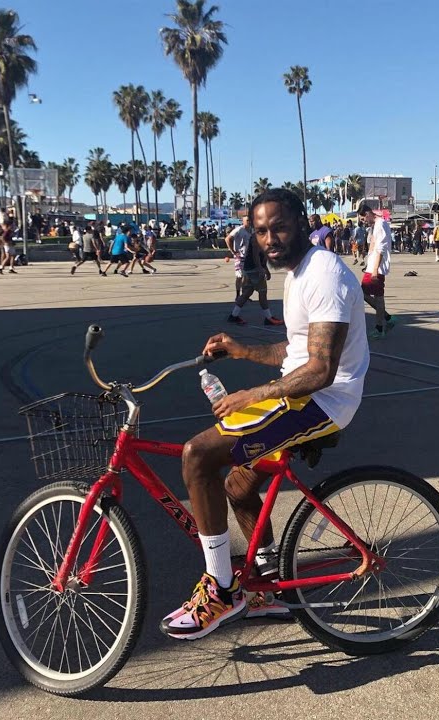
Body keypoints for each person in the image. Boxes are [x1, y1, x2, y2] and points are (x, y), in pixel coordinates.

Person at [160, 188, 368, 639]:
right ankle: (268, 591)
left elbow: (320, 369)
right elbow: (296, 352)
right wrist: (243, 351)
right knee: (238, 487)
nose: (270, 239)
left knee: (198, 455)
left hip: (324, 401)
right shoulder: (298, 274)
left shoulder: (325, 273)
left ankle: (220, 589)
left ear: (302, 223)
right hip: (304, 393)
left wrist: (250, 396)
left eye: (279, 228)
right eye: (261, 231)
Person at [225, 214, 282, 327]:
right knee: (262, 292)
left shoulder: (262, 237)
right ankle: (268, 318)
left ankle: (233, 316)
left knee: (247, 293)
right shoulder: (256, 237)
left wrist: (266, 269)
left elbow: (263, 255)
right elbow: (256, 255)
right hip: (253, 269)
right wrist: (260, 269)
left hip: (249, 268)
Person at [359, 203, 395, 339]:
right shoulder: (377, 225)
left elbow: (381, 248)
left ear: (368, 214)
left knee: (364, 294)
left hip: (376, 268)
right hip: (374, 266)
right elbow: (374, 245)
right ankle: (385, 321)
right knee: (378, 297)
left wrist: (374, 269)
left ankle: (382, 325)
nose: (364, 222)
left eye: (363, 219)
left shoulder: (380, 225)